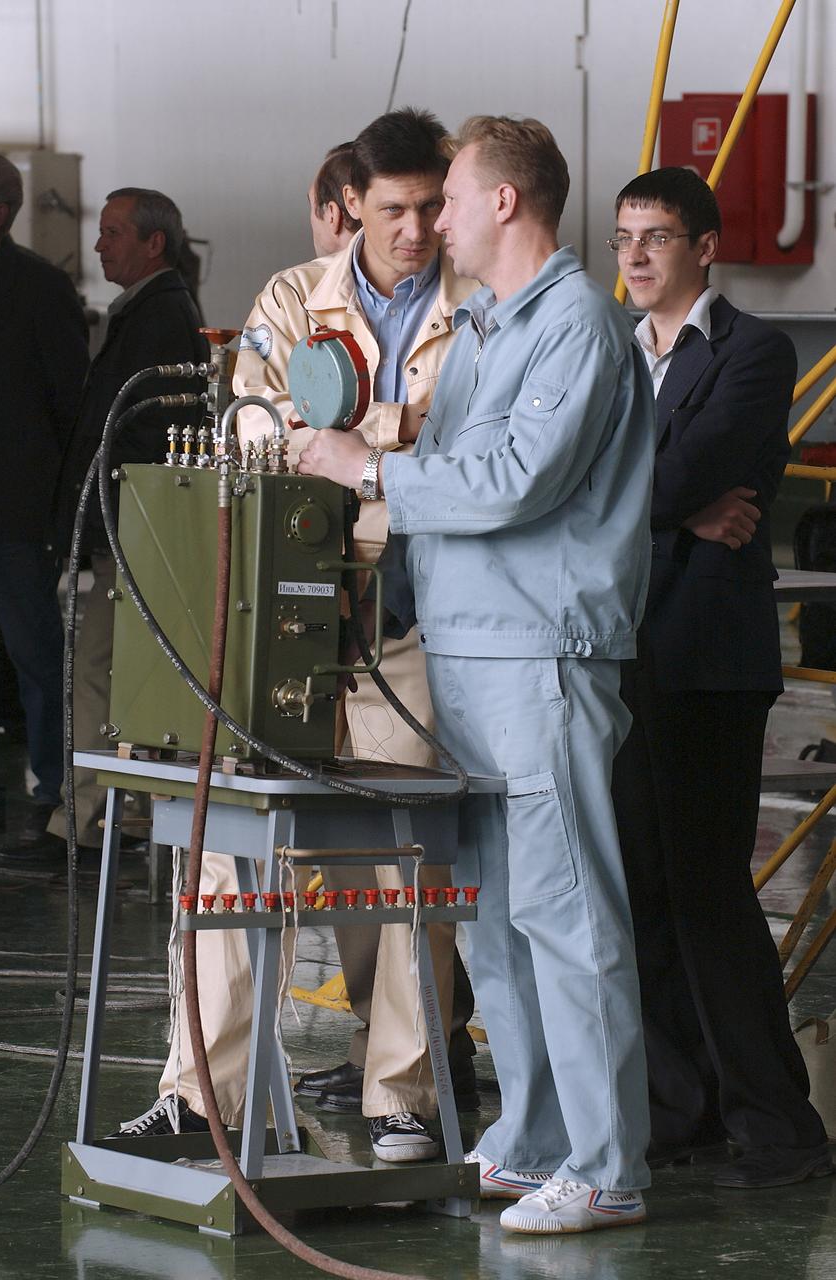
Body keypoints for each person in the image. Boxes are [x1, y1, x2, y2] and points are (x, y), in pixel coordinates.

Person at [298, 115, 655, 1235]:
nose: (431, 218)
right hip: (465, 657)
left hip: (540, 659)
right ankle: (539, 1135)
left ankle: (606, 1161)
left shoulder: (578, 329)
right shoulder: (491, 330)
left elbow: (511, 481)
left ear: (504, 203)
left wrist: (372, 467)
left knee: (567, 913)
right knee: (496, 916)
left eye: (447, 197)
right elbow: (450, 486)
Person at [117, 112, 479, 1163]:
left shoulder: (480, 310)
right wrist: (387, 433)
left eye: (429, 208)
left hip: (408, 626)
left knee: (401, 864)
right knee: (226, 860)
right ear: (351, 205)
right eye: (394, 209)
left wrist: (346, 441)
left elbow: (476, 452)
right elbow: (249, 427)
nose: (415, 230)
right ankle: (200, 1094)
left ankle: (400, 1095)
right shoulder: (291, 297)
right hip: (284, 616)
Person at [609, 166, 833, 1189]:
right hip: (619, 651)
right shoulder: (611, 355)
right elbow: (635, 485)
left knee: (706, 891)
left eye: (656, 236)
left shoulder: (755, 350)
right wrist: (666, 505)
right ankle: (678, 1108)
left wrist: (647, 499)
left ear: (704, 247)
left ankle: (777, 1122)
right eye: (622, 239)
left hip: (705, 659)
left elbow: (683, 475)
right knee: (641, 889)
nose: (637, 256)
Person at [0, 187, 208, 867]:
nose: (98, 244)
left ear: (154, 243)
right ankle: (100, 818)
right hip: (128, 526)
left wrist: (104, 519)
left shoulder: (160, 316)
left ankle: (90, 826)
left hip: (133, 529)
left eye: (113, 233)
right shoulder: (148, 311)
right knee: (102, 671)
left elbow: (144, 434)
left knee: (94, 671)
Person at [0, 151, 89, 834]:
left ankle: (55, 790)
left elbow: (70, 408)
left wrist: (57, 506)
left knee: (37, 658)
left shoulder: (42, 290)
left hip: (15, 516)